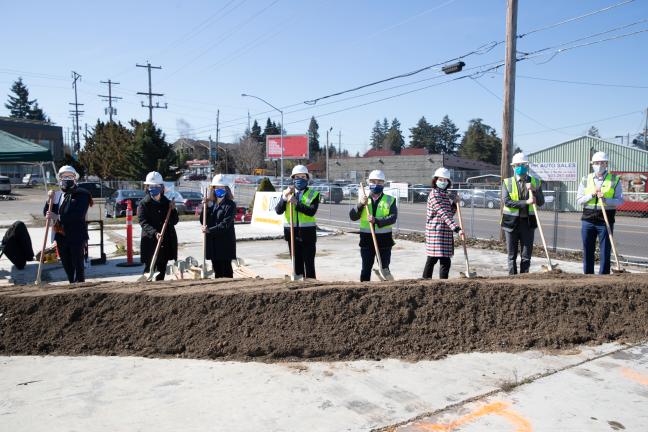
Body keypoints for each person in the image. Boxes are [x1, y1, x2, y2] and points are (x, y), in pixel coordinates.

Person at [576, 151, 624, 274]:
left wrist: (606, 200)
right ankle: (588, 275)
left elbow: (620, 201)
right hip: (588, 219)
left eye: (602, 163)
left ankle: (603, 275)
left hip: (605, 220)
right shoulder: (586, 179)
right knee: (587, 249)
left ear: (606, 164)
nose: (600, 165)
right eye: (597, 163)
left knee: (605, 250)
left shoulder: (614, 179)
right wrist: (592, 195)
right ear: (592, 164)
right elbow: (579, 200)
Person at [43, 165, 91, 283]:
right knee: (67, 265)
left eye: (70, 176)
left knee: (78, 265)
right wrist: (49, 200)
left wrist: (57, 216)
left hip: (76, 236)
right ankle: (71, 284)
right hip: (61, 236)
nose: (67, 179)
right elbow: (47, 212)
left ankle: (81, 287)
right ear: (60, 179)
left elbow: (78, 215)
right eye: (64, 176)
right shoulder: (57, 195)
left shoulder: (82, 194)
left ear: (75, 178)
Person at [349, 169, 398, 281]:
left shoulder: (390, 200)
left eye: (379, 182)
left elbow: (392, 218)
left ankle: (387, 289)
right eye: (373, 182)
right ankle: (363, 289)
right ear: (369, 183)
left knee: (385, 267)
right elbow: (352, 216)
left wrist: (377, 220)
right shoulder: (363, 199)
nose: (376, 184)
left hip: (384, 240)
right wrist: (360, 205)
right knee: (366, 268)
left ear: (383, 183)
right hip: (367, 239)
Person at [500, 152, 545, 275]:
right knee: (511, 255)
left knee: (526, 256)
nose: (520, 167)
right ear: (513, 167)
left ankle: (524, 279)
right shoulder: (507, 182)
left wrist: (535, 192)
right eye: (517, 165)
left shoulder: (536, 182)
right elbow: (507, 202)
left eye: (523, 164)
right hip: (511, 224)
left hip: (528, 224)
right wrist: (527, 202)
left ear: (527, 166)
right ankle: (512, 279)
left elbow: (541, 202)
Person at [275, 165, 320, 279]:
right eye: (297, 177)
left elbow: (311, 212)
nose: (300, 179)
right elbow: (278, 210)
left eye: (303, 176)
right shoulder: (287, 193)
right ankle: (299, 286)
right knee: (296, 265)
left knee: (309, 264)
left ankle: (312, 286)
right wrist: (285, 198)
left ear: (307, 178)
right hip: (292, 234)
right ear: (293, 179)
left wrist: (296, 203)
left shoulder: (313, 194)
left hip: (308, 235)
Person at [137, 171, 178, 281]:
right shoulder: (143, 204)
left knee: (161, 269)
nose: (154, 188)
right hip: (150, 241)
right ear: (147, 187)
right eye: (151, 186)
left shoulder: (167, 203)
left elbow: (174, 221)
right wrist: (155, 233)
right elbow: (143, 222)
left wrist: (173, 210)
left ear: (161, 187)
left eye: (156, 186)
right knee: (149, 268)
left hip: (164, 242)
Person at [423, 167, 463, 279]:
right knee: (432, 259)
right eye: (441, 179)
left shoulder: (445, 195)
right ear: (435, 180)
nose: (443, 182)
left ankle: (442, 285)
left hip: (445, 231)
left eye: (445, 180)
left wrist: (455, 204)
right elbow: (444, 214)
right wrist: (457, 229)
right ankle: (425, 282)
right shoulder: (434, 195)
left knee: (445, 261)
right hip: (435, 232)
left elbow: (449, 213)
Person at [201, 174, 237, 278]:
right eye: (217, 188)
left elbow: (225, 225)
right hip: (213, 244)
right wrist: (205, 208)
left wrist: (209, 230)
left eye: (222, 188)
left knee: (226, 271)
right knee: (217, 271)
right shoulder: (211, 204)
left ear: (226, 189)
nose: (219, 190)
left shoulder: (230, 205)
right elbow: (202, 221)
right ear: (213, 189)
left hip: (225, 244)